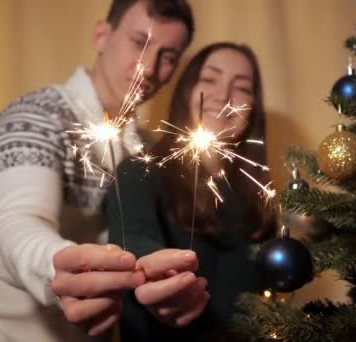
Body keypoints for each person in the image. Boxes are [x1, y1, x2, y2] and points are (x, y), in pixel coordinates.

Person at [0, 1, 206, 341]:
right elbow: (14, 222)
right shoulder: (36, 117)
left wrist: (164, 287)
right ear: (101, 36)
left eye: (168, 56)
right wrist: (57, 267)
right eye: (140, 42)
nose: (149, 68)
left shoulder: (147, 153)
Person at [106, 42, 276, 341]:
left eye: (242, 88)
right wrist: (157, 275)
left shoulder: (260, 203)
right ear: (186, 91)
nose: (223, 96)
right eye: (209, 79)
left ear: (253, 108)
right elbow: (133, 239)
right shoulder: (138, 174)